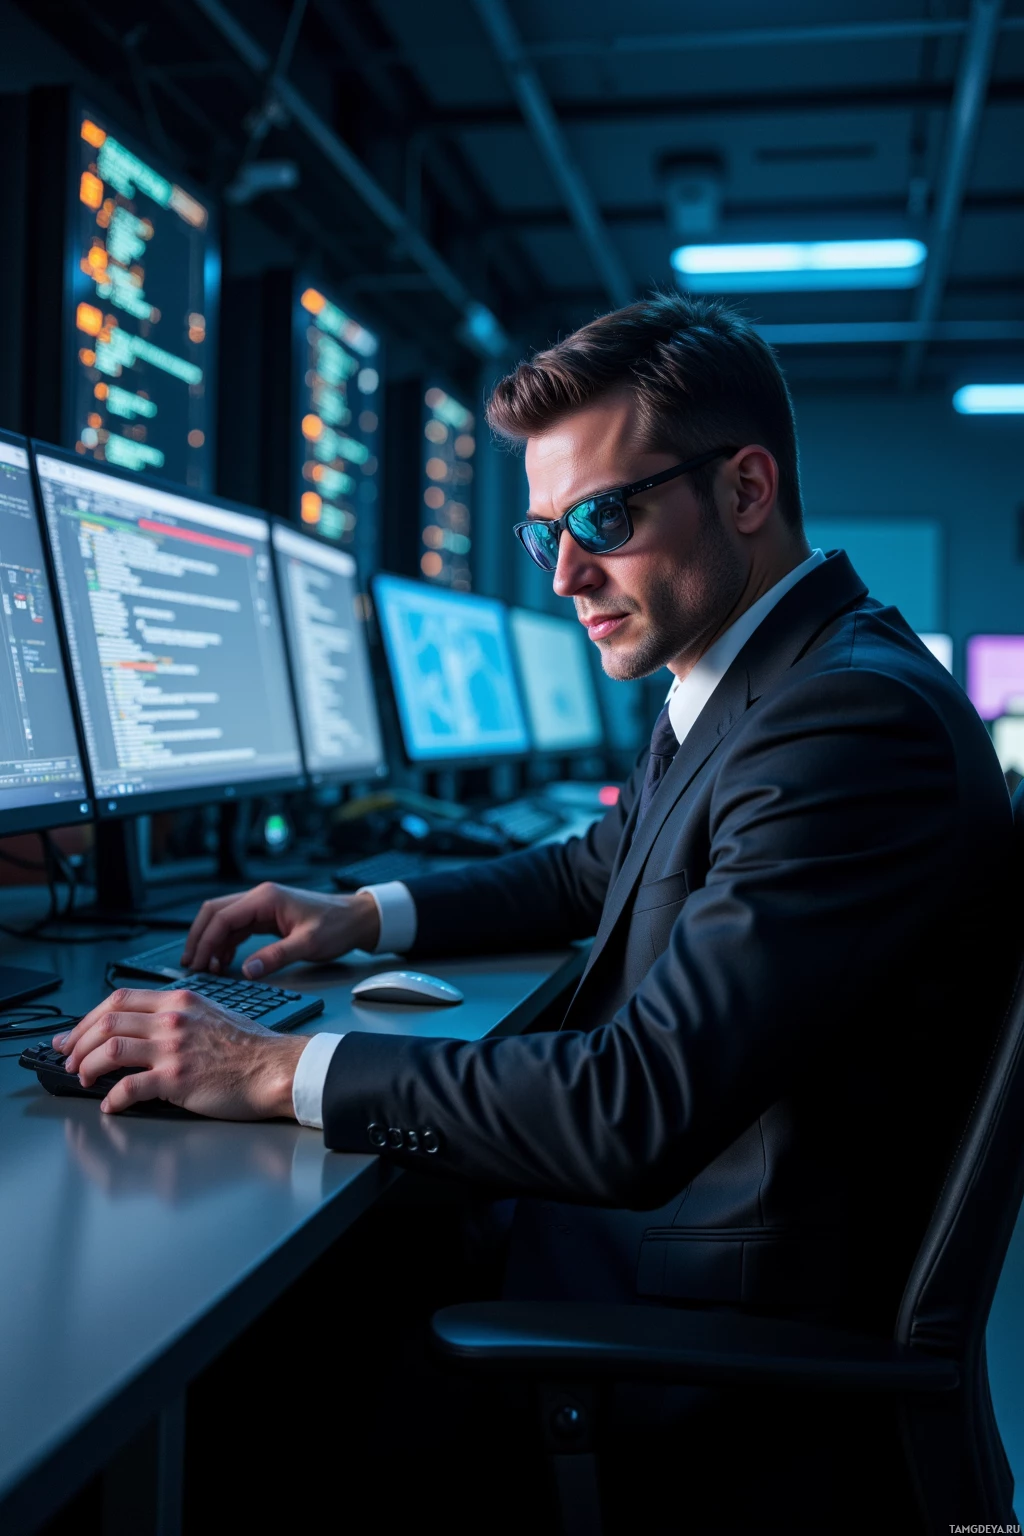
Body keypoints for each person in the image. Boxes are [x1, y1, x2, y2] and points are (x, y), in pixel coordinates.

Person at [54, 293, 1015, 1334]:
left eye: (605, 519)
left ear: (744, 489)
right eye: (545, 530)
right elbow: (596, 867)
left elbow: (633, 1104)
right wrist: (363, 913)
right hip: (668, 1239)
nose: (563, 574)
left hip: (701, 1329)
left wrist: (276, 1066)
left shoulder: (847, 721)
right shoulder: (760, 678)